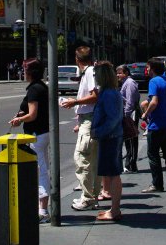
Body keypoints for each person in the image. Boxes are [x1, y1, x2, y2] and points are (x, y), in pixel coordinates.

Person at [9, 58, 51, 222]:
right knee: (42, 168)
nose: (22, 72)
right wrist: (22, 115)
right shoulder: (41, 87)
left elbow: (32, 115)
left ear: (30, 72)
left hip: (36, 134)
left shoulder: (34, 89)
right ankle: (42, 207)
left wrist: (19, 120)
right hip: (42, 133)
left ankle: (43, 211)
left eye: (24, 69)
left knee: (40, 171)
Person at [60, 45, 99, 210]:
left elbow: (95, 96)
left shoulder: (90, 72)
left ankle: (88, 198)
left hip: (89, 120)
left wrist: (74, 102)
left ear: (76, 59)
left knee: (82, 159)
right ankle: (92, 196)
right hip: (89, 119)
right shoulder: (91, 71)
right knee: (93, 160)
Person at [91, 60, 124, 221]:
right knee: (111, 173)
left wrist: (98, 132)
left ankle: (115, 210)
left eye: (96, 74)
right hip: (110, 136)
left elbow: (113, 119)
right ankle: (113, 208)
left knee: (113, 173)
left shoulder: (109, 94)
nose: (95, 77)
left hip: (110, 137)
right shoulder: (108, 92)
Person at [140, 58, 166, 193]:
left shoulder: (154, 82)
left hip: (156, 125)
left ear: (154, 69)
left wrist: (145, 115)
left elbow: (154, 102)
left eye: (148, 67)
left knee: (153, 155)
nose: (147, 70)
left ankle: (157, 184)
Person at [116, 64, 140, 172]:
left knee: (131, 139)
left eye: (120, 73)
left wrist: (126, 115)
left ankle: (131, 164)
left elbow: (130, 101)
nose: (118, 75)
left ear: (126, 73)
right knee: (128, 139)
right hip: (127, 114)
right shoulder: (125, 83)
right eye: (117, 73)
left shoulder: (130, 83)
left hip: (130, 114)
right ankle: (129, 164)